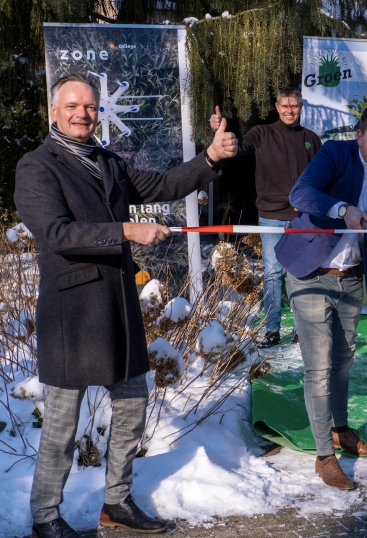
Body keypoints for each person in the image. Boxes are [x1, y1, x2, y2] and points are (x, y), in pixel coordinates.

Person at [14, 74, 237, 537]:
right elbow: (56, 233)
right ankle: (45, 518)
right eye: (73, 105)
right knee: (61, 423)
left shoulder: (107, 161)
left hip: (116, 304)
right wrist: (126, 230)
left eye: (91, 107)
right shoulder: (36, 166)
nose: (83, 113)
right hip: (73, 312)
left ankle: (116, 502)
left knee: (133, 403)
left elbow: (163, 184)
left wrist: (211, 156)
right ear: (54, 111)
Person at [274, 100, 367, 490]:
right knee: (318, 368)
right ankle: (324, 457)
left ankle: (340, 429)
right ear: (358, 136)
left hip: (352, 278)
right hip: (310, 273)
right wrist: (342, 209)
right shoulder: (335, 153)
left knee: (344, 360)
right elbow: (300, 194)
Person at [210, 87, 321, 348]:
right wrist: (220, 132)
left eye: (294, 105)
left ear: (301, 106)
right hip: (271, 217)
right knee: (273, 274)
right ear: (276, 106)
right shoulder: (261, 134)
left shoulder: (312, 139)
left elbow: (321, 178)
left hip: (303, 218)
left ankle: (300, 330)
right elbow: (236, 147)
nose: (289, 110)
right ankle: (272, 330)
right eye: (284, 105)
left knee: (302, 273)